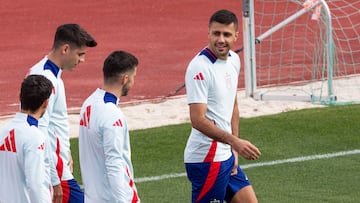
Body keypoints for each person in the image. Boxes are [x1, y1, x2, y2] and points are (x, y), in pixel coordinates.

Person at [184, 9, 262, 203]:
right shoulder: (200, 67)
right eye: (216, 33)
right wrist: (234, 142)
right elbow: (197, 120)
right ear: (208, 33)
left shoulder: (234, 60)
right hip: (206, 158)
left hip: (225, 153)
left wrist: (233, 149)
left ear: (236, 36)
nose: (221, 39)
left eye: (226, 34)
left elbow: (232, 105)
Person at [29, 23, 97, 203]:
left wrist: (65, 151)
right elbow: (39, 129)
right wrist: (54, 177)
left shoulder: (47, 73)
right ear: (65, 49)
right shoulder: (46, 79)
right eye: (80, 54)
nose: (82, 60)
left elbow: (53, 124)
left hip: (56, 163)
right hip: (54, 169)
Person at [78, 51, 140, 203]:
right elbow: (114, 163)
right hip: (112, 198)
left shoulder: (89, 103)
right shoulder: (112, 113)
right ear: (125, 79)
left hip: (93, 197)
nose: (133, 83)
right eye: (133, 78)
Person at [0, 75, 53, 203]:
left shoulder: (4, 130)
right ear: (46, 103)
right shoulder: (35, 136)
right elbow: (36, 185)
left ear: (20, 97)